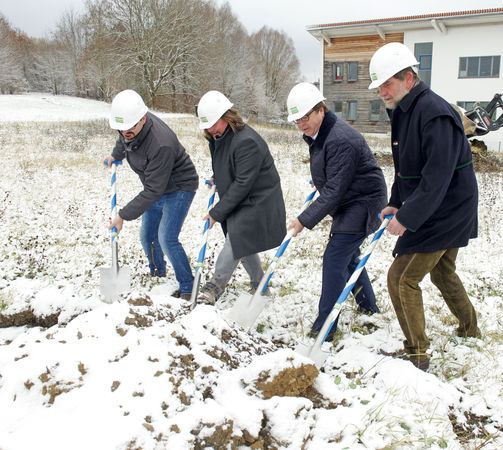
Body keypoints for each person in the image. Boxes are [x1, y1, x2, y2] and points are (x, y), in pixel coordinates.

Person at [368, 42, 480, 371]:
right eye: (379, 87)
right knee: (443, 273)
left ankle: (417, 354)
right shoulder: (406, 110)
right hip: (434, 204)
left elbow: (437, 178)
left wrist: (408, 217)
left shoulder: (435, 113)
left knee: (401, 278)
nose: (382, 93)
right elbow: (407, 168)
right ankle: (470, 327)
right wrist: (395, 203)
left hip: (447, 209)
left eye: (386, 84)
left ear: (408, 78)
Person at [286, 82, 387, 341]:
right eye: (296, 120)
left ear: (321, 109)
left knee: (334, 259)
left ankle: (325, 327)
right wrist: (321, 179)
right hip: (350, 199)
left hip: (364, 203)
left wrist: (303, 220)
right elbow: (334, 175)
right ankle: (368, 307)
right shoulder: (321, 133)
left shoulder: (341, 138)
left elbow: (334, 191)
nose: (301, 124)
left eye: (305, 117)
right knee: (350, 257)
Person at [195, 90, 286, 304]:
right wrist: (217, 177)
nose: (210, 129)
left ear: (227, 116)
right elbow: (230, 164)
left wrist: (216, 213)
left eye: (214, 123)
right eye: (206, 125)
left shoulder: (246, 141)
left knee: (236, 238)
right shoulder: (218, 136)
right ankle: (260, 285)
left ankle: (214, 287)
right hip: (243, 196)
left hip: (259, 199)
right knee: (241, 242)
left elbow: (244, 181)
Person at [106, 89, 198, 300]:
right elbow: (124, 139)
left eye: (129, 128)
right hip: (155, 186)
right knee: (148, 236)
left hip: (179, 188)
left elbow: (153, 191)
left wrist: (122, 215)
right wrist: (115, 155)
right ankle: (158, 272)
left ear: (143, 119)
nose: (124, 132)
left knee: (167, 238)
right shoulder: (130, 125)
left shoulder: (160, 143)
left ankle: (188, 287)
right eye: (121, 129)